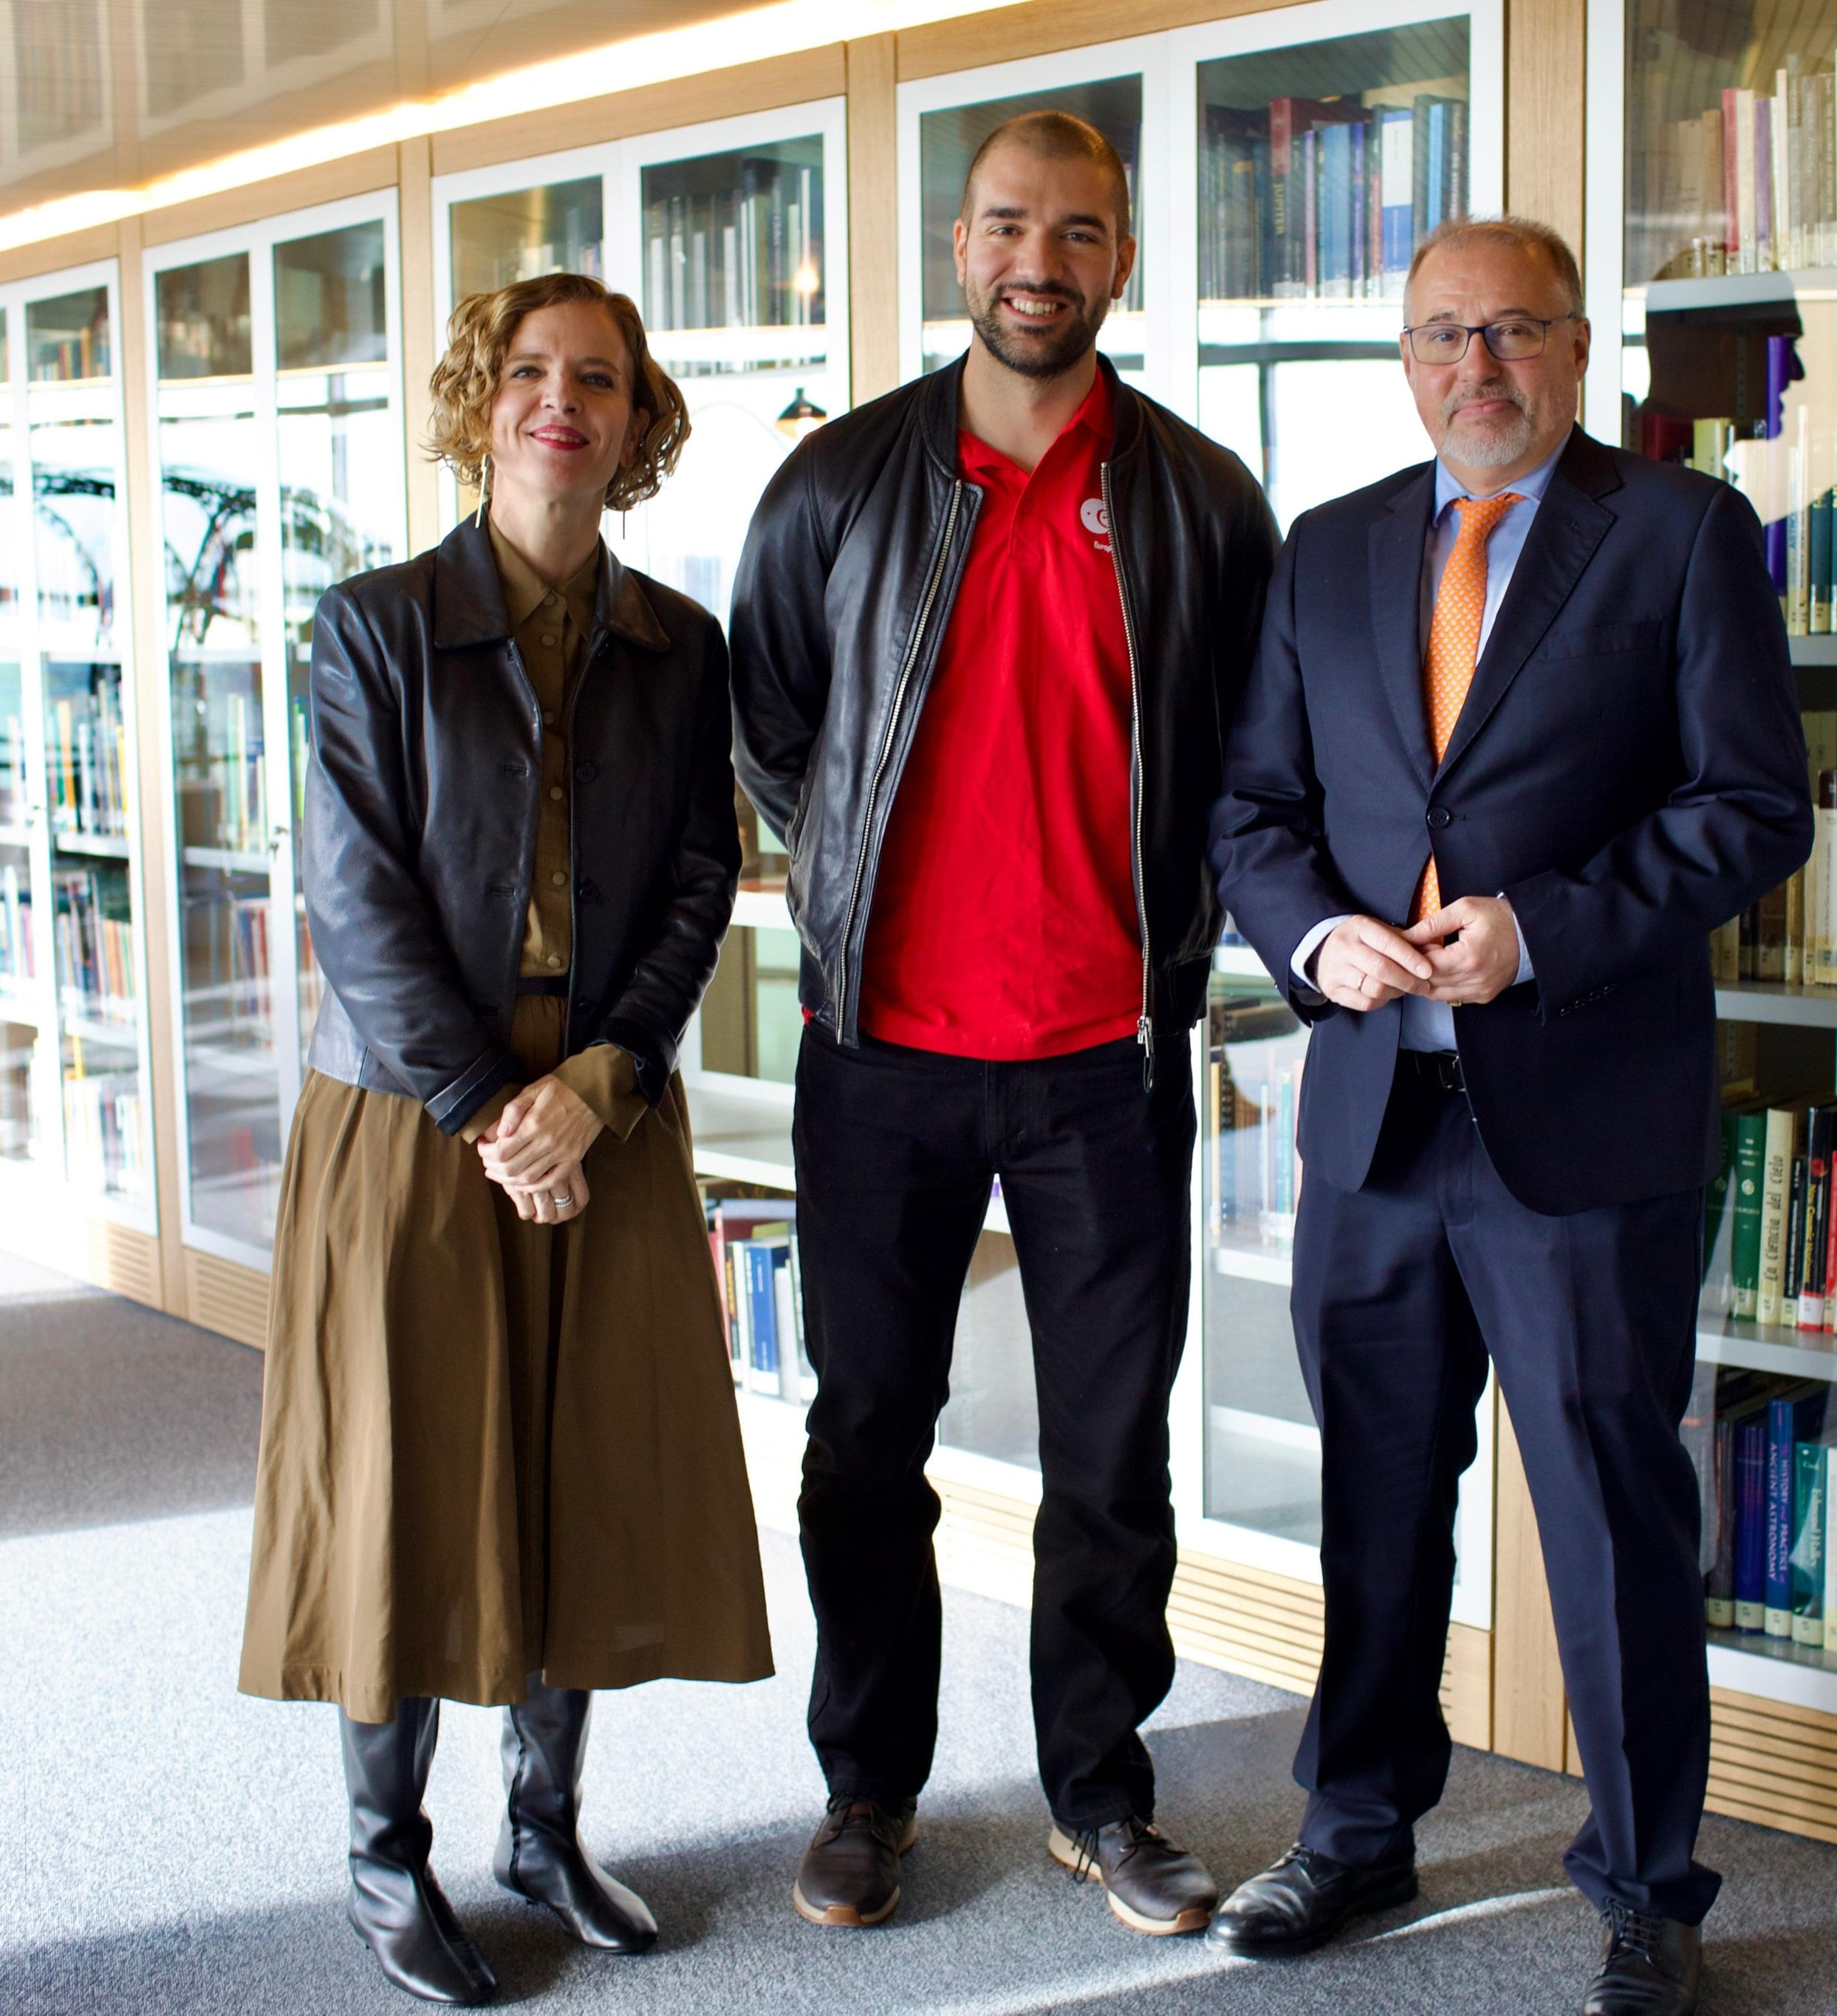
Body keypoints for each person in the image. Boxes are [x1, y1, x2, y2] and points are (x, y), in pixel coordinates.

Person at [1207, 216, 1811, 2016]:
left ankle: (1644, 1885)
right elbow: (1251, 810)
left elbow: (1747, 807)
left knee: (1610, 1511)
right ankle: (1355, 1823)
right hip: (1373, 1121)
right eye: (1441, 337)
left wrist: (1537, 930)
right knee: (1375, 1496)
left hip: (1580, 1120)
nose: (1477, 368)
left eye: (1515, 333)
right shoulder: (1327, 552)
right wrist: (1320, 937)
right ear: (1404, 360)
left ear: (1576, 347)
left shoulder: (1681, 532)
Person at [730, 111, 1279, 1938]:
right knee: (864, 1433)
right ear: (957, 248)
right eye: (1004, 226)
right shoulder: (841, 482)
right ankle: (866, 1789)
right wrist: (848, 894)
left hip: (1100, 1061)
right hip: (879, 1054)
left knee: (1110, 1453)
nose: (1036, 260)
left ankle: (1098, 1795)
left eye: (1077, 230)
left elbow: (1235, 771)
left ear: (1123, 258)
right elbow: (770, 723)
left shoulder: (1201, 500)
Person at [240, 270, 773, 2008]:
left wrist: (603, 1085)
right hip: (412, 1122)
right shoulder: (370, 625)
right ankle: (379, 1862)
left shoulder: (678, 646)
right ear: (483, 401)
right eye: (532, 374)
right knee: (402, 1489)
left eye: (599, 380)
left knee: (585, 1472)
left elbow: (704, 880)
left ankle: (544, 1830)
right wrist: (490, 1111)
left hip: (603, 1113)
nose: (564, 402)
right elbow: (355, 897)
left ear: (635, 423)